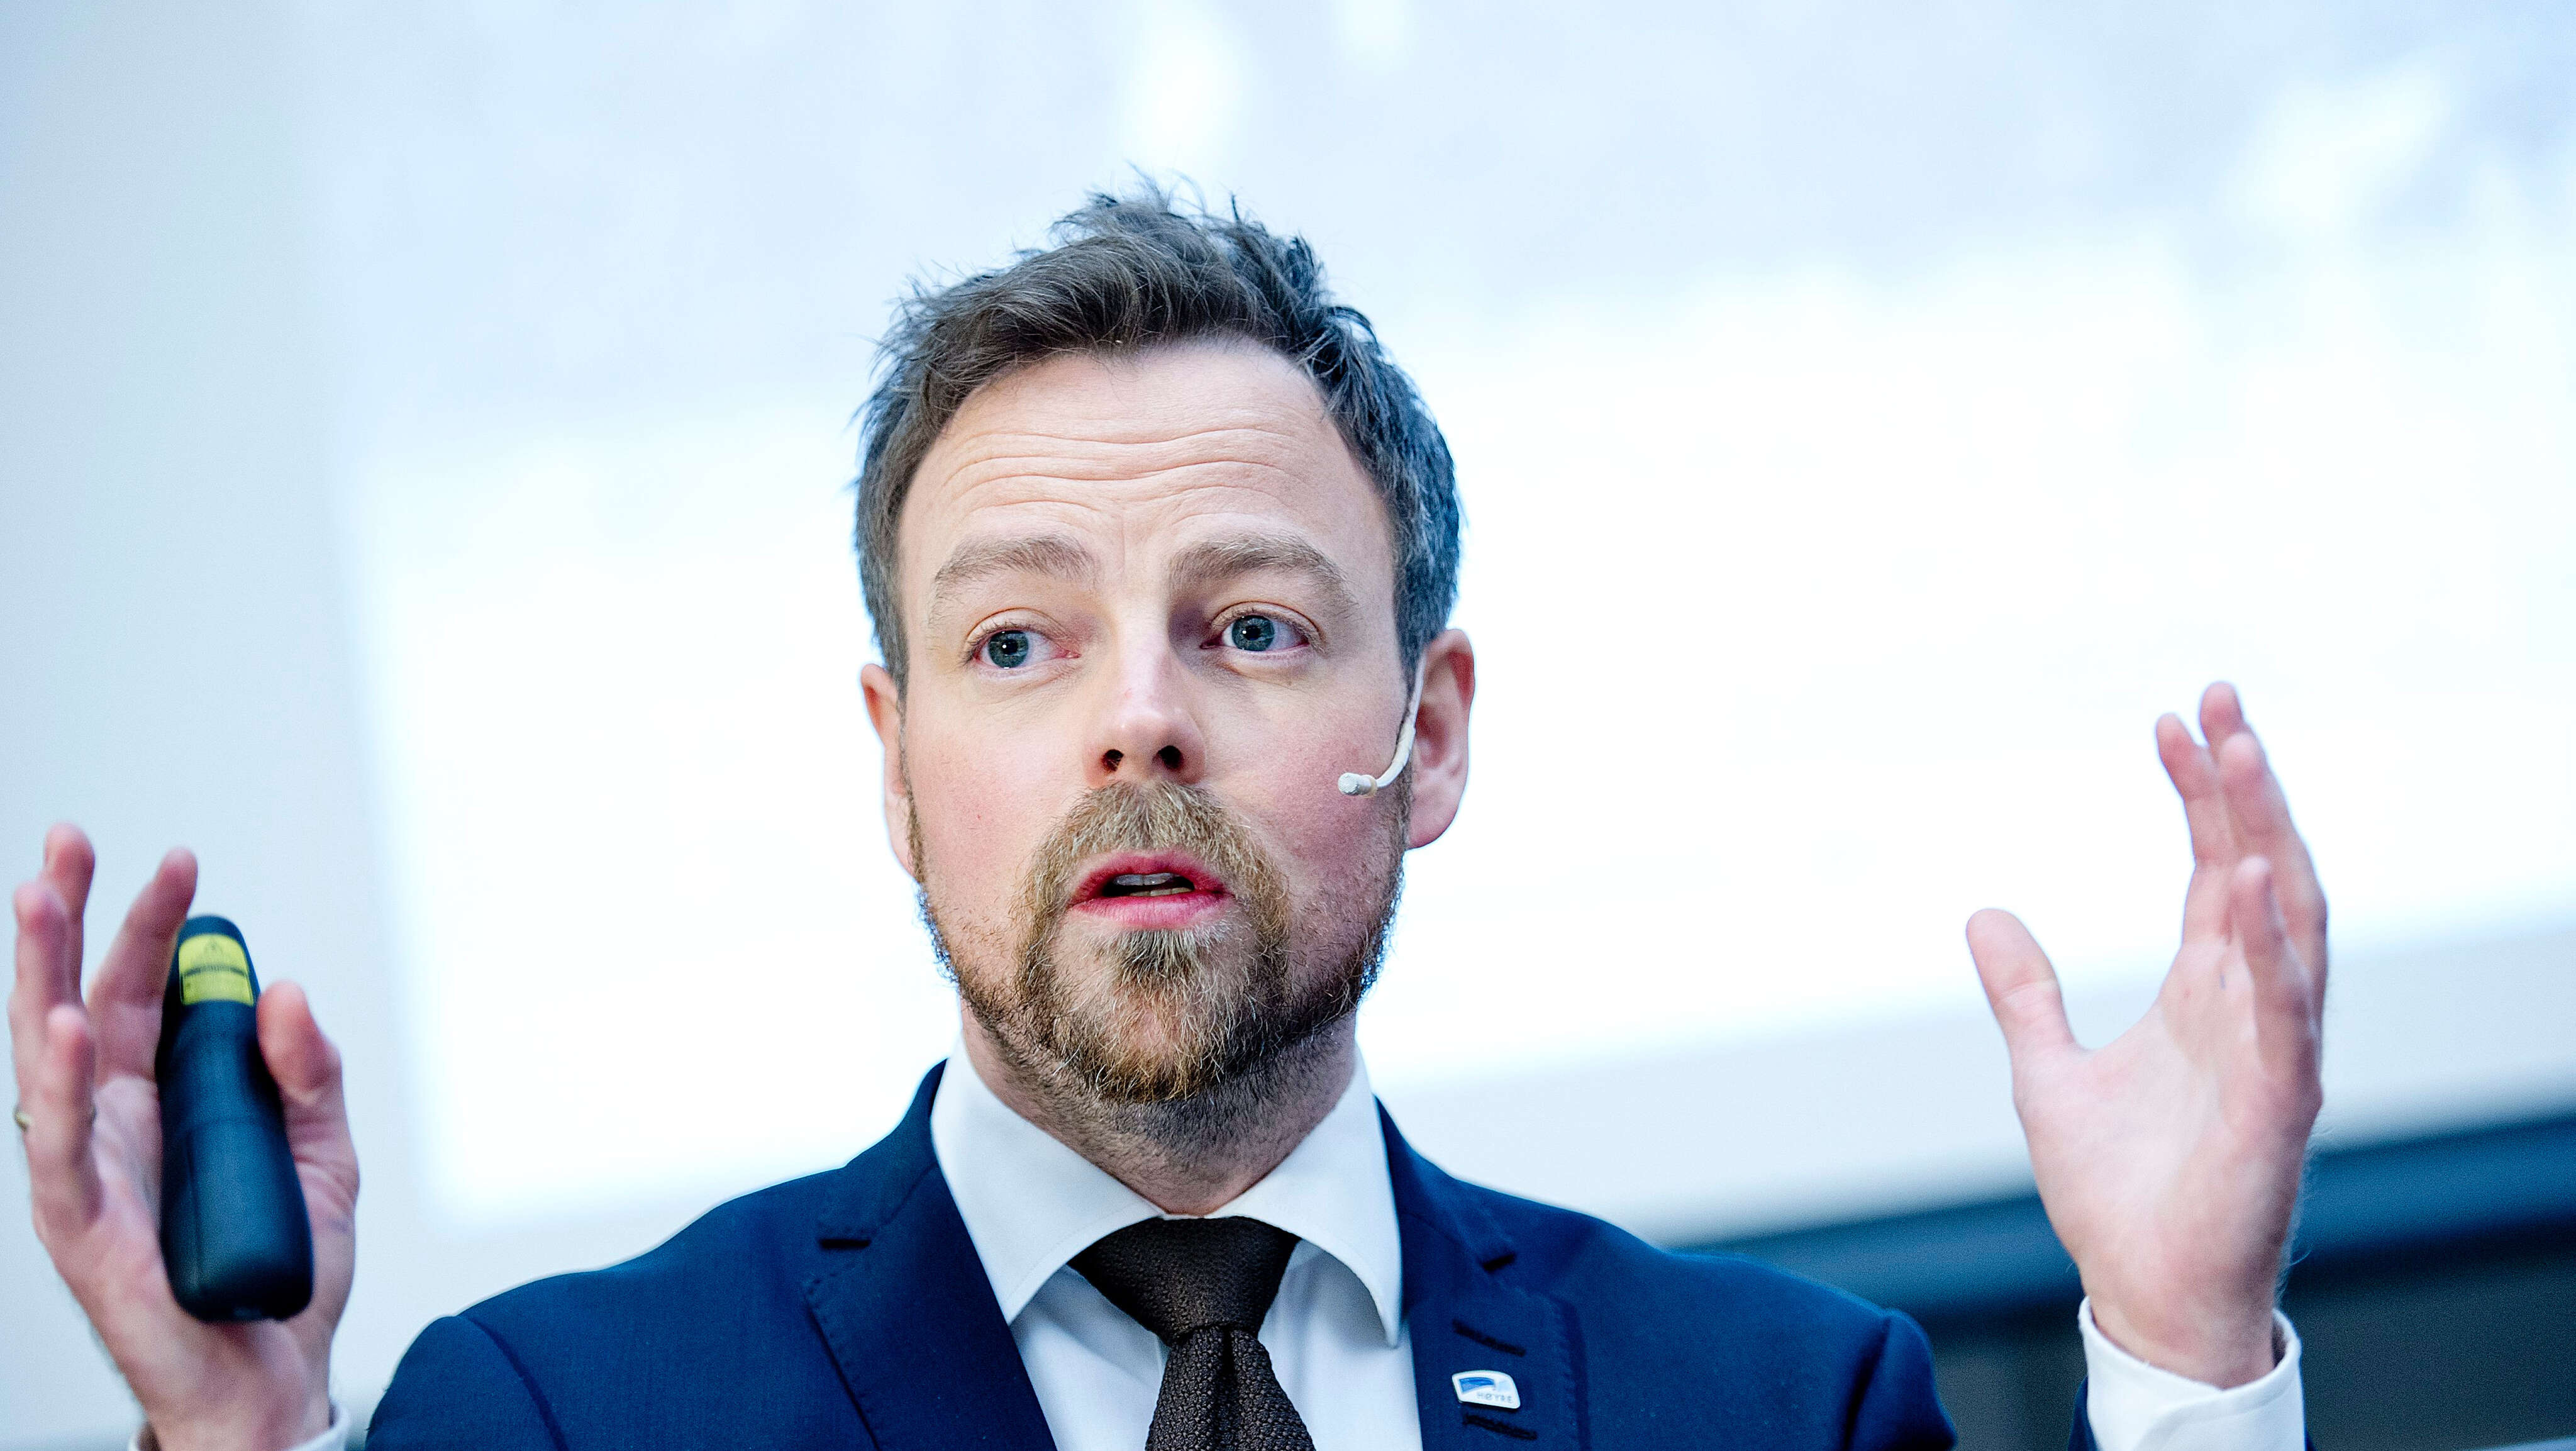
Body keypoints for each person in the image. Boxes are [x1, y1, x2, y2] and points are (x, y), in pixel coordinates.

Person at [9, 189, 2328, 1451]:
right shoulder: (563, 1420)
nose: (1138, 722)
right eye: (1021, 642)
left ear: (1430, 734)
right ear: (896, 761)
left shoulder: (1777, 1408)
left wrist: (2190, 1347)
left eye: (1249, 626)